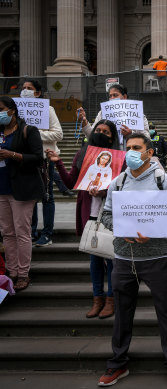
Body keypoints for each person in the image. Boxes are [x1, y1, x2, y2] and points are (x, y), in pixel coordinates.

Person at [96, 133, 167, 387]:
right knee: (122, 314)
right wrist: (122, 229)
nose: (131, 152)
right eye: (128, 148)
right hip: (123, 259)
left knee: (166, 313)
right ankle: (118, 363)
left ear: (149, 153)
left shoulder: (164, 181)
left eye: (137, 148)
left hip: (156, 258)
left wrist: (154, 233)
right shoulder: (118, 182)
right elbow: (106, 216)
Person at [51, 119, 122, 319]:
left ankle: (111, 299)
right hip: (89, 214)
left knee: (111, 259)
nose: (100, 133)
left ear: (112, 138)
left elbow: (123, 188)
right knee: (95, 260)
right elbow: (71, 182)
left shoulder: (120, 159)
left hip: (110, 215)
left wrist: (104, 192)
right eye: (98, 130)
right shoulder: (82, 155)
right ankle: (97, 298)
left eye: (106, 132)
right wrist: (58, 163)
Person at [0, 96, 44, 292]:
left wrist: (12, 155)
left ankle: (23, 273)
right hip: (2, 188)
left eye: (1, 109)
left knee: (21, 232)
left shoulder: (28, 130)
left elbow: (38, 158)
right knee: (7, 233)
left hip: (22, 189)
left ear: (12, 110)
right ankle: (12, 271)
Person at [20, 80, 64, 248]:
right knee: (30, 197)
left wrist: (34, 133)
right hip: (26, 159)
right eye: (23, 88)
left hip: (45, 159)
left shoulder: (47, 109)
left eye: (29, 89)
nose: (25, 91)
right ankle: (31, 231)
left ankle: (47, 233)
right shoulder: (18, 112)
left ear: (37, 93)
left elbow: (58, 134)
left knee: (47, 197)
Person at [77, 84, 150, 146]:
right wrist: (84, 122)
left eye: (115, 95)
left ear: (124, 97)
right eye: (110, 96)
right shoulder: (102, 113)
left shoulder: (137, 114)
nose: (112, 98)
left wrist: (131, 133)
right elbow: (92, 136)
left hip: (130, 155)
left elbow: (147, 138)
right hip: (107, 155)